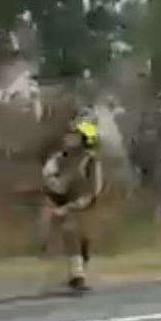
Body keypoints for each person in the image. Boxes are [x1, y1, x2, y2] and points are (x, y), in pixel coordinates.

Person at [42, 120, 103, 291]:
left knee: (79, 234)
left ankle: (77, 271)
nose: (69, 139)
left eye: (75, 136)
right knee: (68, 230)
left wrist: (69, 207)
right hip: (60, 204)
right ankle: (74, 275)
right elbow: (48, 179)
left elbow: (91, 192)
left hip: (84, 206)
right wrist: (55, 188)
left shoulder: (90, 162)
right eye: (69, 135)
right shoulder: (58, 159)